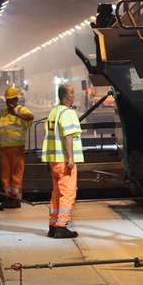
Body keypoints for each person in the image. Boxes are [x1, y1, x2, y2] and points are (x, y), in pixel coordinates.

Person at [42, 84, 83, 238]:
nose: (74, 95)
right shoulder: (68, 113)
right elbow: (68, 136)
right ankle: (61, 226)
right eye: (72, 92)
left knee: (57, 193)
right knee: (68, 193)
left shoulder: (54, 112)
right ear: (68, 96)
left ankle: (53, 225)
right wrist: (71, 158)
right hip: (64, 161)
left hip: (54, 160)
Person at [0, 86, 34, 208]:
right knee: (5, 174)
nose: (9, 103)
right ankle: (8, 197)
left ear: (16, 100)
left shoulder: (22, 110)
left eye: (12, 100)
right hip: (5, 148)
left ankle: (16, 198)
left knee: (16, 174)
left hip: (17, 148)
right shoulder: (3, 113)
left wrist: (16, 113)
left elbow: (30, 117)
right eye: (8, 100)